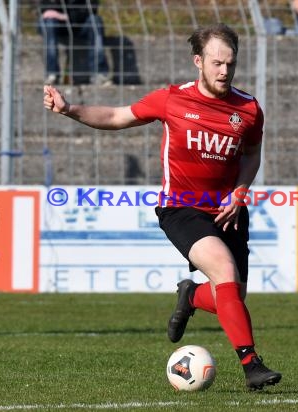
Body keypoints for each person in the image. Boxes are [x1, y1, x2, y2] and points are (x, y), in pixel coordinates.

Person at [44, 23, 282, 390]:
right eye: (217, 63)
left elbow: (251, 154)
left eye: (230, 64)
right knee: (224, 271)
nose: (224, 71)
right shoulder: (172, 99)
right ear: (198, 62)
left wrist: (240, 192)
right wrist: (69, 109)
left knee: (231, 294)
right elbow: (116, 117)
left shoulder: (248, 108)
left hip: (229, 210)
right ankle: (251, 365)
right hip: (182, 208)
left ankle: (190, 295)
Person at [38, 0, 109, 85]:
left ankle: (99, 74)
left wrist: (67, 16)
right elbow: (45, 7)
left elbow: (92, 8)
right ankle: (52, 74)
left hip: (79, 24)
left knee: (96, 21)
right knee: (49, 22)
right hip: (56, 24)